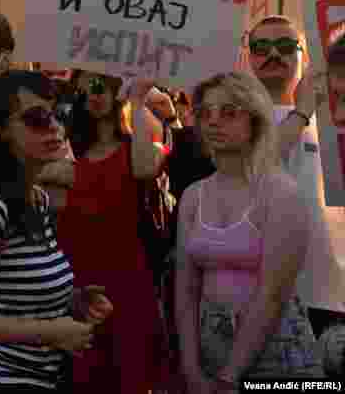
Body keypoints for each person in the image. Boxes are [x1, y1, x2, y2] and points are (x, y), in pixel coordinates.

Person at [0, 72, 113, 391]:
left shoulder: (36, 197)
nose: (54, 127)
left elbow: (12, 291)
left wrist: (71, 301)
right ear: (2, 130)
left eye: (59, 114)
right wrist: (51, 332)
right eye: (36, 118)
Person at [176, 72, 324, 389]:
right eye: (205, 113)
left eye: (229, 112)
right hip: (210, 344)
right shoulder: (193, 195)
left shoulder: (282, 193)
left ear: (255, 120)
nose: (213, 121)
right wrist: (190, 370)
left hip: (277, 349)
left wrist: (230, 379)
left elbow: (273, 293)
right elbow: (185, 291)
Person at [55, 71, 165, 394]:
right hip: (78, 288)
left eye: (101, 85)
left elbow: (145, 167)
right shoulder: (68, 152)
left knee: (131, 377)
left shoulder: (137, 145)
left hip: (128, 284)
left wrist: (136, 100)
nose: (93, 94)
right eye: (84, 89)